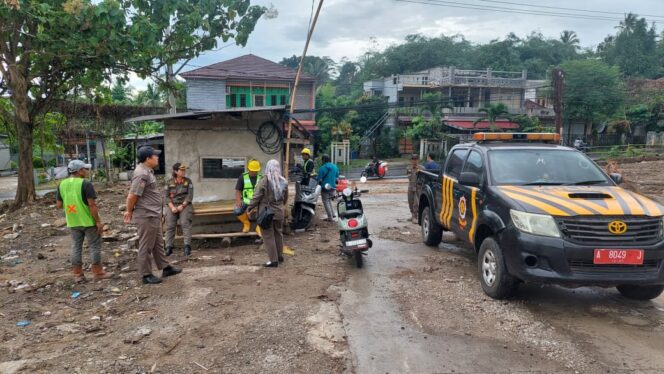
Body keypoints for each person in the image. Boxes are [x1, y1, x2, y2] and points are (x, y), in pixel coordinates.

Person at [124, 146, 182, 285]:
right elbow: (132, 195)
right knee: (146, 245)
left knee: (157, 243)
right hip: (146, 215)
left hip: (152, 214)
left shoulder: (147, 171)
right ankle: (146, 274)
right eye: (155, 156)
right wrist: (128, 211)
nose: (157, 158)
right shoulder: (141, 174)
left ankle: (165, 267)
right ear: (148, 158)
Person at [56, 160, 112, 282]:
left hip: (73, 221)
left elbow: (59, 205)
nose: (86, 171)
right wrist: (98, 222)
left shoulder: (62, 184)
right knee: (94, 246)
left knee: (76, 246)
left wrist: (71, 202)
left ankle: (78, 274)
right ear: (79, 171)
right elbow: (92, 205)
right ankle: (98, 272)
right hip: (88, 221)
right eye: (85, 169)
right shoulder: (86, 184)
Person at [247, 159, 288, 268]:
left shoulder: (264, 181)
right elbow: (285, 199)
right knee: (278, 233)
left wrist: (250, 207)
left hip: (266, 213)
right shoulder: (284, 181)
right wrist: (279, 206)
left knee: (268, 236)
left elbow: (257, 196)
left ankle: (273, 260)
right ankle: (279, 256)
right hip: (279, 212)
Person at [164, 162, 194, 257]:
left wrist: (182, 205)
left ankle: (187, 247)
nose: (184, 171)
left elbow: (189, 196)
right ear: (176, 171)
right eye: (181, 170)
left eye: (184, 170)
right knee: (170, 226)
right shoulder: (169, 182)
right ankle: (169, 247)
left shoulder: (188, 182)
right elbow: (166, 197)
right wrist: (172, 207)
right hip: (172, 205)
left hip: (185, 205)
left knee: (185, 223)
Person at [235, 159, 262, 234]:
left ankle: (259, 227)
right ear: (249, 169)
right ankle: (246, 223)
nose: (254, 172)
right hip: (246, 201)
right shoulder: (242, 177)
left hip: (257, 202)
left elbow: (264, 192)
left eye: (256, 171)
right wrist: (238, 201)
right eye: (253, 171)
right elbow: (238, 190)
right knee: (237, 210)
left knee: (265, 211)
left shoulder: (261, 178)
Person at [318, 154, 339, 221]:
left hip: (325, 187)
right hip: (333, 186)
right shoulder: (335, 167)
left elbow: (319, 179)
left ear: (324, 160)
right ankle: (333, 214)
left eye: (322, 160)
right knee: (329, 200)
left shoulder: (322, 168)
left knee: (326, 201)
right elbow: (337, 176)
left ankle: (330, 217)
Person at [406, 154, 420, 223]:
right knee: (410, 201)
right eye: (413, 159)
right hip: (411, 186)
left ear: (418, 160)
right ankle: (412, 215)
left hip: (418, 187)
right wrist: (413, 169)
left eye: (415, 159)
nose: (414, 161)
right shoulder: (408, 168)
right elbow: (409, 178)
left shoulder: (421, 168)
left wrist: (417, 169)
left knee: (416, 202)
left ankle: (415, 216)